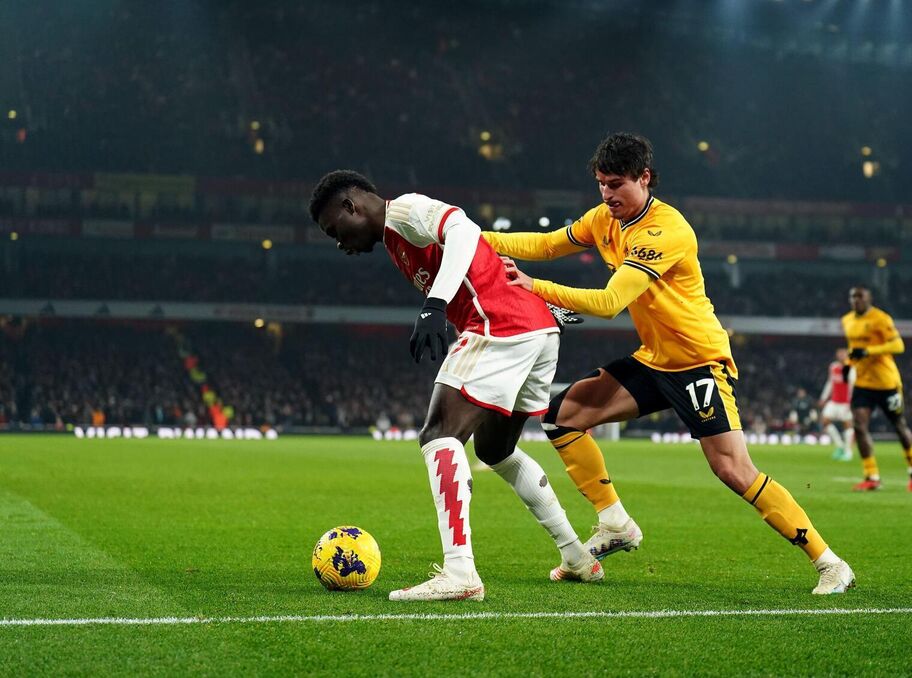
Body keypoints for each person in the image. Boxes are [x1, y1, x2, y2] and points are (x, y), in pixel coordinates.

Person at [485, 133, 854, 595]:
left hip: (698, 361)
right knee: (563, 418)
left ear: (644, 178)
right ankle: (614, 522)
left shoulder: (666, 230)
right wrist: (469, 237)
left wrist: (533, 287)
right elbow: (544, 243)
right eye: (601, 184)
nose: (607, 194)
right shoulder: (605, 218)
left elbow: (608, 301)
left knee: (733, 470)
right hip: (655, 360)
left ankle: (830, 562)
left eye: (616, 184)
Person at [308, 170, 602, 602]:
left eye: (335, 229)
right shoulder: (394, 241)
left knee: (438, 434)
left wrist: (435, 303)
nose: (339, 242)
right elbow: (480, 256)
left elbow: (464, 229)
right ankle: (576, 556)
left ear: (352, 206)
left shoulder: (404, 211)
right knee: (494, 450)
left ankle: (460, 572)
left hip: (498, 327)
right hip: (535, 330)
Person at [842, 286, 912, 492]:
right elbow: (854, 348)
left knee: (899, 426)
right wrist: (848, 364)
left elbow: (898, 346)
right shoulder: (847, 320)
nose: (856, 300)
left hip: (887, 383)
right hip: (863, 383)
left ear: (869, 299)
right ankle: (872, 476)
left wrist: (868, 351)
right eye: (853, 296)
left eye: (860, 296)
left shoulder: (881, 319)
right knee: (859, 425)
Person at [818, 348, 855, 461]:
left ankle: (848, 452)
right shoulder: (833, 367)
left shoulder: (850, 368)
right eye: (839, 354)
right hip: (834, 401)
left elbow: (852, 386)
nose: (841, 356)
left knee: (847, 425)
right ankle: (840, 446)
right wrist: (823, 397)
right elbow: (830, 382)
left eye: (843, 354)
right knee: (824, 421)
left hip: (845, 403)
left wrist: (851, 402)